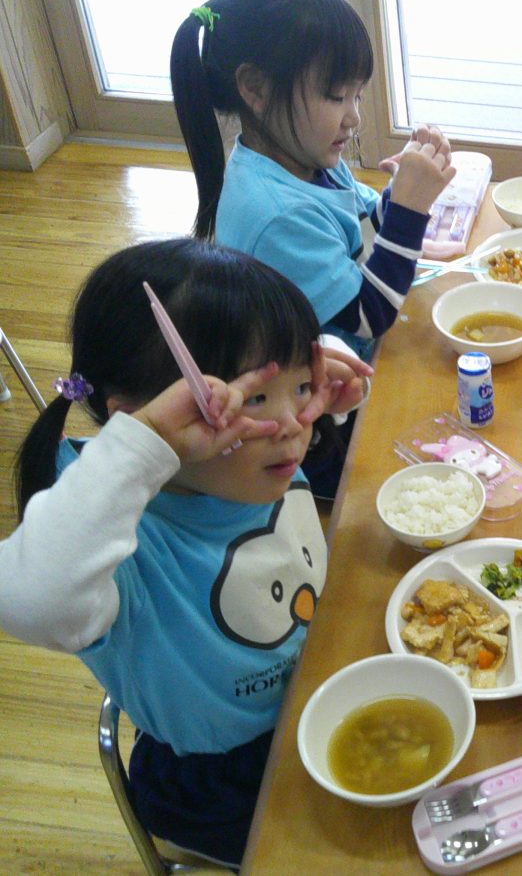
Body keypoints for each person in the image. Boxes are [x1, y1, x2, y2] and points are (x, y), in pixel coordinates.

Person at [0, 239, 370, 868]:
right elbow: (30, 600)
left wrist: (319, 371)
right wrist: (140, 446)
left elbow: (295, 406)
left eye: (301, 388)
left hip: (314, 693)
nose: (292, 423)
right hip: (223, 783)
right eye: (253, 399)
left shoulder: (248, 464)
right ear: (143, 423)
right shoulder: (116, 541)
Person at [170, 0, 456, 360]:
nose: (354, 117)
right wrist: (409, 210)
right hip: (319, 386)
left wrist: (403, 190)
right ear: (255, 88)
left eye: (357, 95)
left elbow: (364, 231)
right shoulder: (276, 216)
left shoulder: (309, 158)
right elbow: (369, 314)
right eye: (336, 96)